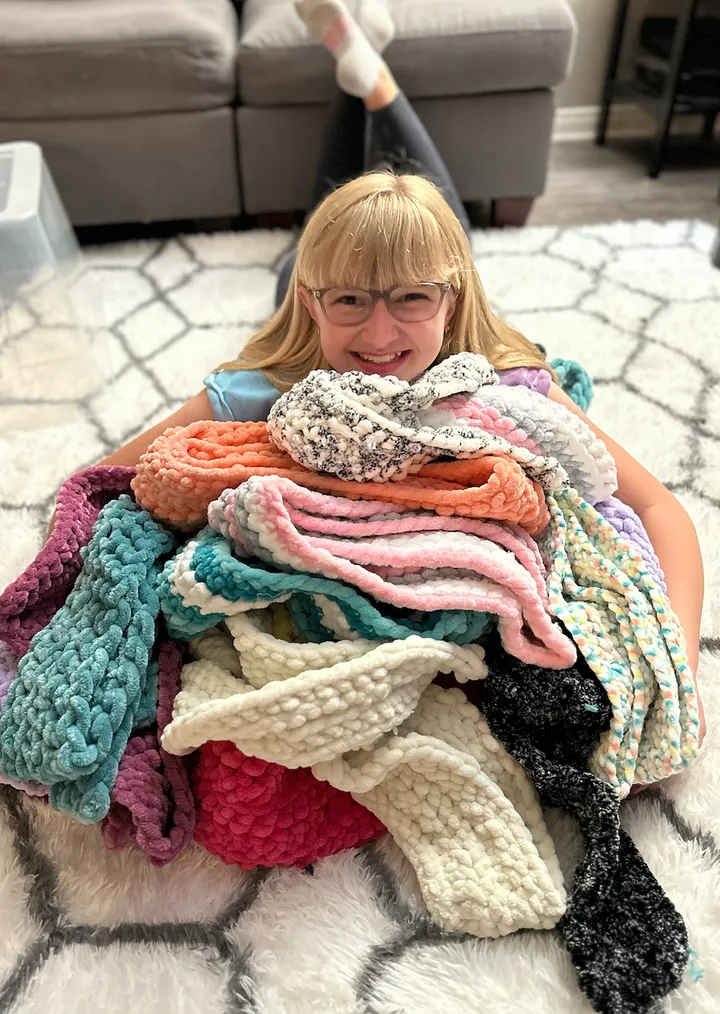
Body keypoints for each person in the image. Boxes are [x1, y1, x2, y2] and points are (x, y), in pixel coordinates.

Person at [88, 0, 706, 753]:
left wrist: (673, 662)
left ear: (452, 300)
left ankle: (362, 69)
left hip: (407, 274)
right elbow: (99, 483)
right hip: (310, 266)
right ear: (311, 305)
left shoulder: (504, 381)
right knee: (349, 210)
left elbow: (659, 513)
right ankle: (364, 75)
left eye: (411, 298)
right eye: (349, 302)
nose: (378, 336)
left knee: (424, 207)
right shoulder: (265, 387)